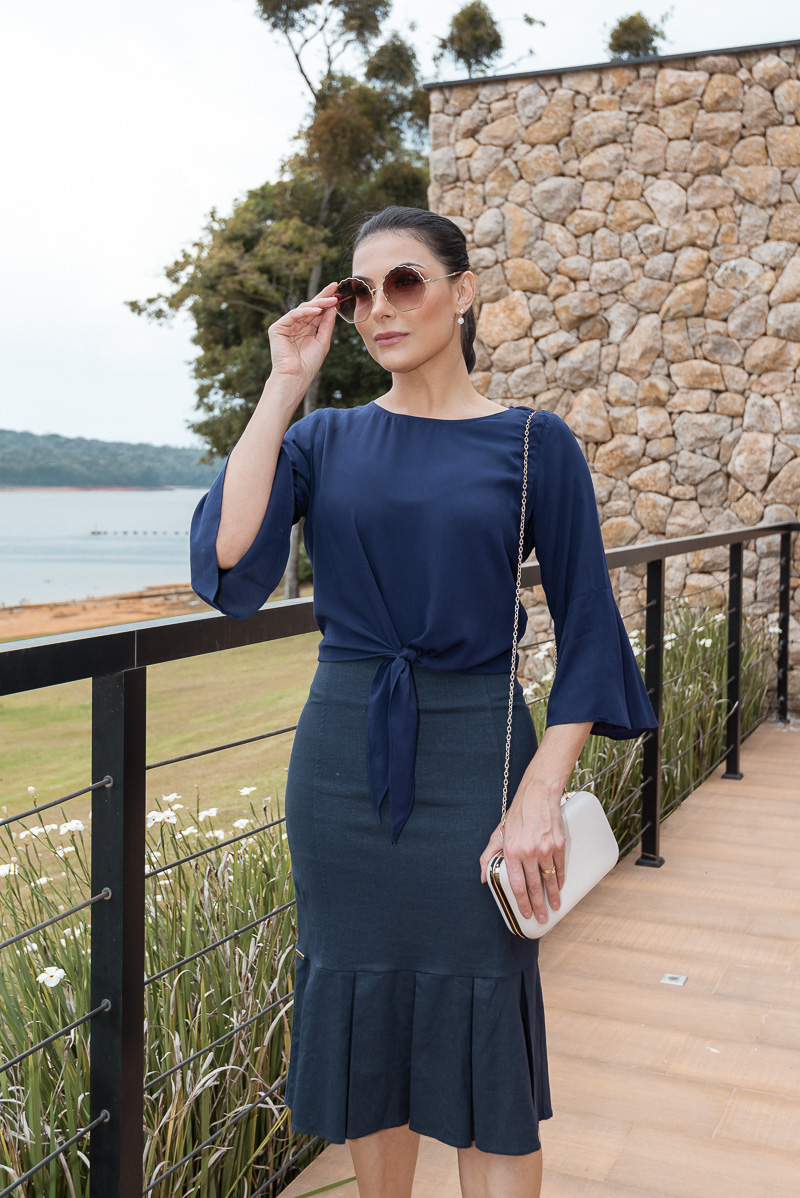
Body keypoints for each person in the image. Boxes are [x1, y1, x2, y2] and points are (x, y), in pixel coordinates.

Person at [189, 204, 658, 1198]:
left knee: (486, 1028)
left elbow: (588, 624)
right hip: (340, 769)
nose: (379, 308)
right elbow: (228, 557)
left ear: (463, 291)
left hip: (479, 761)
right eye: (359, 291)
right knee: (368, 1037)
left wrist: (540, 792)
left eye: (404, 281)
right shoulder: (323, 439)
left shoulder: (533, 444)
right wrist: (282, 385)